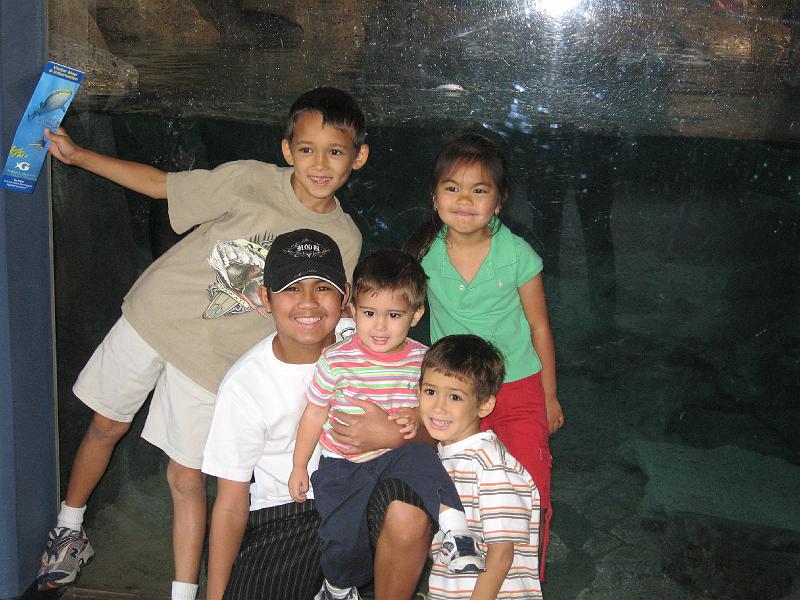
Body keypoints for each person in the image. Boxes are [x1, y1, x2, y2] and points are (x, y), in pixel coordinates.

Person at [36, 88, 367, 600]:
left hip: (214, 361)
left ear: (358, 157)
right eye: (307, 149)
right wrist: (79, 156)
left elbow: (328, 314)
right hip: (155, 316)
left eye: (335, 151)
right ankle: (69, 528)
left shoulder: (344, 238)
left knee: (187, 476)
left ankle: (184, 593)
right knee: (106, 424)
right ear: (287, 150)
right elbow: (162, 185)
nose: (319, 163)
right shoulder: (251, 180)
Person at [202, 230, 434, 600]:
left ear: (345, 297)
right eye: (292, 288)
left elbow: (447, 427)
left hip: (366, 495)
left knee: (407, 506)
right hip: (286, 514)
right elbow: (230, 505)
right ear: (266, 297)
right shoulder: (245, 384)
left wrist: (397, 435)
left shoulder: (383, 337)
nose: (308, 303)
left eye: (322, 288)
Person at [405, 132, 563, 576]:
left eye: (480, 189)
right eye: (452, 188)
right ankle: (459, 580)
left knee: (528, 487)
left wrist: (549, 396)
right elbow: (397, 307)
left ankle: (526, 582)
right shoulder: (424, 255)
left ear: (499, 200)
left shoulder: (517, 254)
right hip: (453, 395)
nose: (464, 199)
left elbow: (540, 327)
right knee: (457, 493)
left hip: (517, 390)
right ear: (434, 197)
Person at [289, 249, 483, 600]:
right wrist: (299, 464)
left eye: (394, 315)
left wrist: (415, 414)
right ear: (353, 310)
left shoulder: (422, 359)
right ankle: (337, 586)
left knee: (424, 462)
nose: (380, 326)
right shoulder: (336, 359)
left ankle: (457, 531)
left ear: (415, 314)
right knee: (340, 537)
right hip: (343, 464)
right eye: (369, 313)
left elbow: (431, 409)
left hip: (396, 455)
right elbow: (315, 413)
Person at [418, 335, 543, 600]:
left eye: (455, 396)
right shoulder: (445, 457)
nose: (438, 407)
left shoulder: (491, 465)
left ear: (484, 404)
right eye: (430, 391)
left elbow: (501, 555)